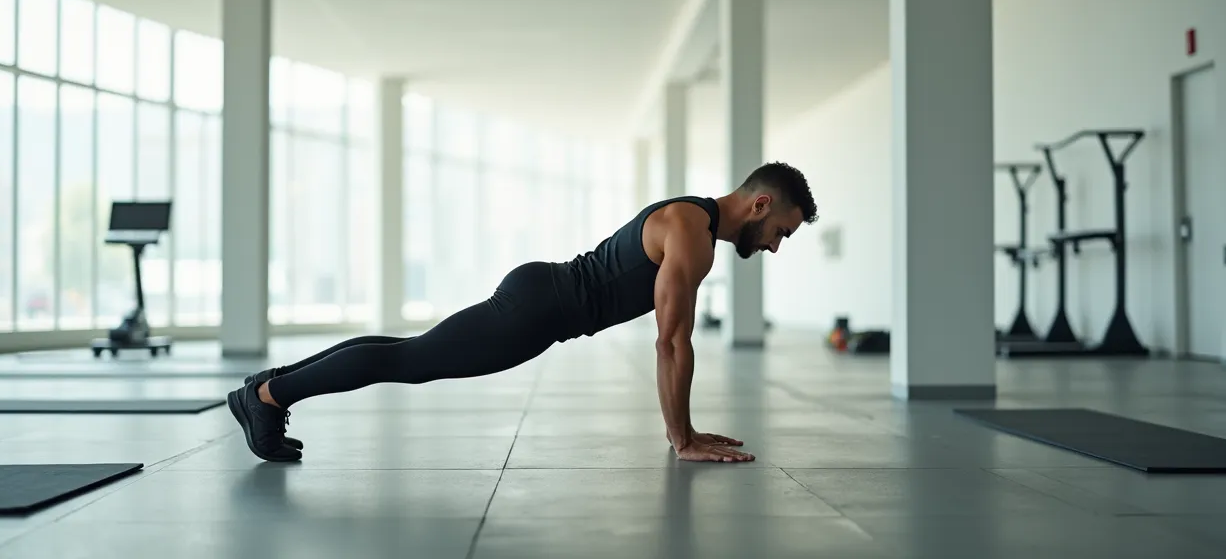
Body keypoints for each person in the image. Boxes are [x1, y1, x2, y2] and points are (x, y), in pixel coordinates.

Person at [228, 161, 818, 464]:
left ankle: (266, 390)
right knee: (409, 360)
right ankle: (266, 399)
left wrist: (683, 432)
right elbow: (670, 342)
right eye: (779, 232)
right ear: (760, 203)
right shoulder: (692, 232)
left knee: (408, 352)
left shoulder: (694, 222)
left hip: (542, 297)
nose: (773, 244)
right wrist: (682, 438)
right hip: (538, 311)